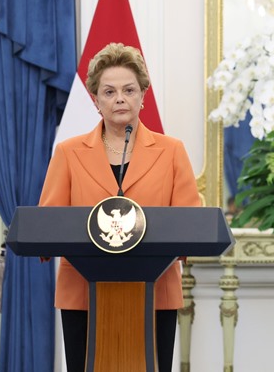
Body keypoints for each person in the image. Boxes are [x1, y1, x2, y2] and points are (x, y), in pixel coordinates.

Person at [39, 42, 200, 372]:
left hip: (155, 294)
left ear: (143, 95)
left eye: (129, 90)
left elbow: (191, 224)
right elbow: (48, 224)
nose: (120, 99)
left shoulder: (171, 151)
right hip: (83, 295)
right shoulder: (69, 153)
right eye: (109, 92)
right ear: (96, 100)